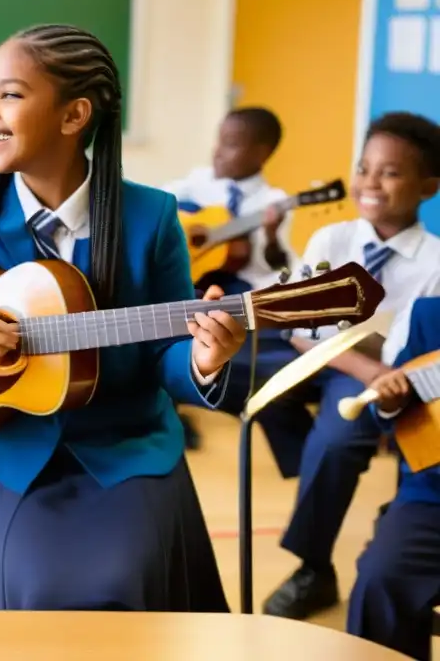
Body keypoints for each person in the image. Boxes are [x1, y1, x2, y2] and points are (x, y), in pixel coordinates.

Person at [0, 24, 246, 611]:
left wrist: (205, 359)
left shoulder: (151, 215)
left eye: (7, 95)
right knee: (35, 599)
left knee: (122, 588)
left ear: (73, 114)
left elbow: (168, 356)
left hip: (127, 448)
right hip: (19, 447)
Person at [263, 111, 440, 620]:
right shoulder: (333, 240)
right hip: (331, 357)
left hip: (375, 374)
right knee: (237, 377)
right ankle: (326, 473)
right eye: (365, 168)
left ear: (428, 186)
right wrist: (364, 367)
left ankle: (312, 567)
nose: (370, 182)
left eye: (390, 172)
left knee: (337, 438)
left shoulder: (434, 263)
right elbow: (300, 331)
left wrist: (371, 374)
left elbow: (407, 358)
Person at [164, 107, 295, 450]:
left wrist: (270, 235)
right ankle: (169, 416)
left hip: (235, 290)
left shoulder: (273, 202)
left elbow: (274, 262)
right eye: (219, 141)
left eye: (232, 144)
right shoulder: (196, 182)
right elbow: (156, 210)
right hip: (189, 282)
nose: (218, 151)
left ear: (261, 153)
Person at [347, 296, 440, 660]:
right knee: (379, 579)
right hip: (432, 496)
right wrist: (389, 400)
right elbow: (388, 416)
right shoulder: (426, 316)